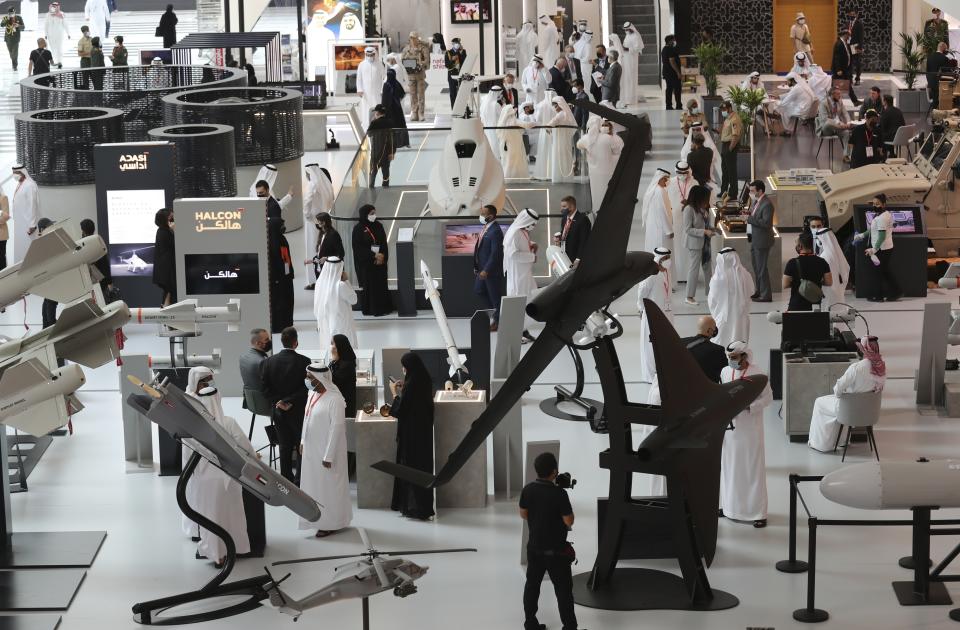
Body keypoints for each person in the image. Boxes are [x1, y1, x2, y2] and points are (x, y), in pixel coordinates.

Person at [183, 367, 253, 565]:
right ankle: (237, 547)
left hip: (205, 478)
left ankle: (217, 554)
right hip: (230, 477)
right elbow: (246, 448)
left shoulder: (193, 426)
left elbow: (189, 453)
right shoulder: (229, 422)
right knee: (233, 513)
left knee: (211, 516)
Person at [519, 451, 578, 630]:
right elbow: (569, 521)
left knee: (532, 586)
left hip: (535, 548)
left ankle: (530, 623)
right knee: (563, 592)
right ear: (554, 471)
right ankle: (569, 627)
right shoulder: (559, 494)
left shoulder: (528, 489)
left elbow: (523, 514)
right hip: (557, 552)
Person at [719, 340, 772, 528]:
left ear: (743, 355)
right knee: (730, 467)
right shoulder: (725, 372)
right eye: (728, 357)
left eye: (733, 357)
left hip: (750, 429)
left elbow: (768, 398)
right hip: (730, 429)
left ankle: (757, 513)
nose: (730, 360)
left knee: (751, 469)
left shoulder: (758, 373)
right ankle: (729, 508)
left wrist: (750, 406)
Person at [300, 363, 351, 537]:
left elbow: (337, 428)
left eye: (310, 378)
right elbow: (306, 418)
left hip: (327, 452)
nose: (307, 380)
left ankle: (330, 522)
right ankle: (315, 519)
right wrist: (302, 441)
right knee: (314, 486)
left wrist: (328, 455)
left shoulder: (335, 399)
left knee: (329, 487)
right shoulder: (311, 393)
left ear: (320, 378)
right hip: (311, 450)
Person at [808, 336, 885, 452]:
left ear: (863, 349)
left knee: (819, 402)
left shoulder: (856, 368)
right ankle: (842, 441)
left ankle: (820, 444)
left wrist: (841, 395)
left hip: (849, 411)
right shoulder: (881, 367)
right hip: (868, 411)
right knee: (844, 402)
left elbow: (838, 389)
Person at [259, 326, 312, 483]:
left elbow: (264, 389)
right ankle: (299, 480)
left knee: (284, 444)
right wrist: (289, 401)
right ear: (296, 343)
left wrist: (279, 402)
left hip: (278, 411)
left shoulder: (267, 363)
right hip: (298, 411)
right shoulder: (304, 361)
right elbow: (306, 388)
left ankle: (285, 479)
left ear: (281, 342)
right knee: (300, 444)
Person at [389, 352, 435, 520]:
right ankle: (422, 506)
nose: (402, 369)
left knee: (409, 470)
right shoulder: (423, 379)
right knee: (422, 470)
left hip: (410, 436)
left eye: (404, 366)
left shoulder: (411, 385)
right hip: (423, 435)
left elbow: (401, 410)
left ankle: (413, 508)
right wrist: (404, 388)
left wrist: (394, 393)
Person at [854, 193, 902, 303]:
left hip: (882, 249)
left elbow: (881, 236)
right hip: (885, 248)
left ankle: (878, 296)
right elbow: (872, 229)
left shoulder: (882, 218)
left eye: (878, 204)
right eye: (874, 203)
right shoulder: (882, 214)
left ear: (884, 204)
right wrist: (862, 235)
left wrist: (874, 249)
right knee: (884, 271)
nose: (875, 205)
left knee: (877, 273)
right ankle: (896, 292)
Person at [503, 208, 539, 342]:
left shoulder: (521, 230)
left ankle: (524, 331)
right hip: (518, 276)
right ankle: (516, 335)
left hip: (524, 274)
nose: (533, 226)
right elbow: (513, 254)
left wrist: (532, 244)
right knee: (519, 304)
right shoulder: (514, 232)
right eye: (533, 223)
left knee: (528, 301)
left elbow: (521, 245)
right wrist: (532, 257)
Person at [637, 248, 672, 383]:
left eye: (669, 258)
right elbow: (642, 293)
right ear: (659, 260)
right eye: (665, 259)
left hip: (666, 313)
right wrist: (641, 309)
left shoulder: (666, 272)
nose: (668, 261)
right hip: (652, 314)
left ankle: (662, 371)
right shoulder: (651, 275)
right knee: (650, 346)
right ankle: (651, 376)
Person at [708, 247, 754, 349]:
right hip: (741, 318)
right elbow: (751, 291)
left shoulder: (718, 278)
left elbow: (712, 301)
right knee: (739, 345)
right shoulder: (746, 274)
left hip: (723, 318)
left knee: (720, 344)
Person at [352, 204, 392, 316]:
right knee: (370, 286)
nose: (374, 215)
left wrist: (382, 257)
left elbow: (384, 243)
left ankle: (384, 308)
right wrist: (373, 256)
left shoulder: (379, 226)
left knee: (381, 285)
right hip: (367, 264)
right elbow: (358, 248)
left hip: (380, 263)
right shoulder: (358, 229)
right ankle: (372, 309)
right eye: (371, 213)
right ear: (365, 215)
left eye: (374, 213)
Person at [576, 116, 622, 212]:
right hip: (609, 171)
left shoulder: (586, 139)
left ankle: (597, 209)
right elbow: (618, 151)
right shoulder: (608, 138)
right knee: (608, 192)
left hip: (594, 173)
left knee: (596, 192)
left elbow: (578, 144)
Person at [313, 256, 357, 351]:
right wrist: (346, 281)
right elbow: (354, 299)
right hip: (341, 324)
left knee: (329, 349)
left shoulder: (319, 283)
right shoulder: (340, 285)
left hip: (325, 323)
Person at [302, 164, 335, 287]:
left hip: (313, 222)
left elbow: (307, 201)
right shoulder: (325, 183)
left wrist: (307, 215)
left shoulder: (312, 184)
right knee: (324, 247)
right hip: (325, 220)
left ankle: (314, 280)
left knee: (313, 248)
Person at [682, 184, 715, 306]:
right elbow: (688, 229)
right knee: (694, 269)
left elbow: (705, 224)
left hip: (705, 243)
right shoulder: (689, 209)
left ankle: (710, 293)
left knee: (707, 268)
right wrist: (705, 232)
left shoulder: (703, 208)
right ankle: (689, 296)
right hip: (694, 244)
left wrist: (713, 229)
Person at [782, 232, 832, 311]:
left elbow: (785, 284)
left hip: (796, 305)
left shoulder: (792, 263)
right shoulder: (822, 261)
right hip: (815, 304)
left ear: (800, 246)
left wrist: (797, 282)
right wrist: (817, 281)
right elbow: (829, 282)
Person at [474, 204, 504, 331]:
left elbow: (496, 253)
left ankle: (498, 321)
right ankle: (496, 315)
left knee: (495, 297)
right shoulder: (486, 228)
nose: (481, 216)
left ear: (491, 216)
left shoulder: (495, 231)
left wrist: (487, 269)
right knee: (479, 290)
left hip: (490, 271)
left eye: (483, 214)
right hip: (481, 269)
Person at [745, 179, 775, 302]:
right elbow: (755, 215)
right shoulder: (757, 202)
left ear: (760, 190)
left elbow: (767, 224)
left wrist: (749, 219)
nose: (750, 193)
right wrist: (748, 215)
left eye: (752, 191)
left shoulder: (767, 204)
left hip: (762, 241)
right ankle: (759, 291)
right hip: (755, 239)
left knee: (762, 269)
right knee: (756, 268)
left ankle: (766, 295)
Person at [267, 217, 295, 332]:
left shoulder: (281, 239)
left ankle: (286, 323)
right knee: (279, 302)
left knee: (287, 300)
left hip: (285, 277)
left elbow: (286, 258)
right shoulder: (271, 242)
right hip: (277, 279)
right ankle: (279, 325)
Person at [812, 226, 849, 310]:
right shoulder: (836, 253)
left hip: (828, 290)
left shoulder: (825, 256)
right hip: (838, 289)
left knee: (829, 311)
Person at [680, 315, 727, 383]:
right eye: (714, 327)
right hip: (708, 390)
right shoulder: (718, 350)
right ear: (710, 330)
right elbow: (725, 371)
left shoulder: (680, 342)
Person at [816, 86, 853, 160]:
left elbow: (845, 113)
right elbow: (825, 119)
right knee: (828, 123)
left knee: (846, 133)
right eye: (838, 94)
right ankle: (843, 127)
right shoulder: (823, 103)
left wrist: (848, 122)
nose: (840, 96)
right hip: (826, 128)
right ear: (832, 95)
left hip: (838, 127)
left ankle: (846, 155)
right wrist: (840, 124)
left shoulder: (839, 101)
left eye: (840, 94)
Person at [642, 168, 673, 254]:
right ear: (659, 178)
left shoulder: (654, 189)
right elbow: (662, 212)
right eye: (665, 179)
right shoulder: (660, 191)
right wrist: (669, 230)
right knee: (662, 253)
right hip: (661, 229)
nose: (667, 181)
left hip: (653, 227)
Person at [546, 97, 576, 182]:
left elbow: (549, 126)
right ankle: (567, 178)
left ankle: (558, 178)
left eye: (555, 106)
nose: (554, 108)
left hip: (559, 140)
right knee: (566, 157)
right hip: (566, 140)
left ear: (560, 105)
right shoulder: (567, 114)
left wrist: (548, 130)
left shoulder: (560, 115)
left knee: (558, 157)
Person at [718, 100, 744, 200]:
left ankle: (733, 194)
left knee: (731, 171)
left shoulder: (734, 119)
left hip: (730, 145)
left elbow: (735, 135)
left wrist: (730, 148)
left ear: (729, 108)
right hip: (725, 145)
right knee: (725, 170)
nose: (723, 111)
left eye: (724, 109)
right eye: (722, 110)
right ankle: (724, 191)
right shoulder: (727, 118)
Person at [401, 32, 428, 122]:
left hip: (420, 75)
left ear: (417, 38)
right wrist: (409, 63)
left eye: (414, 38)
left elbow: (427, 61)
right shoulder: (406, 49)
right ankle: (414, 112)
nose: (412, 39)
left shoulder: (423, 48)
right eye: (411, 38)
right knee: (412, 95)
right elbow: (402, 60)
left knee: (421, 94)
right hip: (411, 75)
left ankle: (421, 113)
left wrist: (420, 63)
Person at [355, 46, 385, 128]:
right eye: (368, 55)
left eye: (371, 55)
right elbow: (359, 78)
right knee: (366, 109)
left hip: (377, 92)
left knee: (377, 107)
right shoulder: (362, 65)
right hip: (366, 93)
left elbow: (384, 78)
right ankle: (366, 125)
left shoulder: (379, 64)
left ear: (374, 54)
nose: (370, 57)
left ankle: (377, 124)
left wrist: (383, 90)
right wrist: (359, 89)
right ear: (365, 54)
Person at [366, 104, 395, 188]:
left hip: (376, 153)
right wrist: (392, 153)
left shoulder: (374, 123)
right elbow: (393, 139)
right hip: (387, 153)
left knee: (373, 172)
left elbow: (369, 134)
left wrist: (373, 121)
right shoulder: (390, 122)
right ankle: (385, 188)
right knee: (386, 173)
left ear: (377, 113)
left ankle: (371, 188)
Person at [497, 104, 530, 179]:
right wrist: (538, 124)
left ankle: (507, 175)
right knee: (516, 160)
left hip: (506, 144)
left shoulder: (502, 123)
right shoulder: (514, 121)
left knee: (508, 159)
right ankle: (517, 176)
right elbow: (527, 125)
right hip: (516, 144)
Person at [35, 218, 58, 328]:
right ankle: (51, 329)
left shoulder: (45, 241)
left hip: (50, 280)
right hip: (50, 281)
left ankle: (47, 328)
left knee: (48, 305)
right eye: (49, 226)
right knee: (50, 306)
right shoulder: (42, 243)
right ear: (43, 229)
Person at [556, 196, 590, 266]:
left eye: (564, 206)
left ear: (572, 206)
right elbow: (564, 233)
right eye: (561, 206)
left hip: (576, 258)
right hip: (564, 255)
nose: (561, 209)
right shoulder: (564, 218)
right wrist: (559, 239)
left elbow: (584, 241)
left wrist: (578, 258)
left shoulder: (583, 220)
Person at [329, 334, 357, 419]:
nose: (331, 347)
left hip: (344, 403)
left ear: (339, 346)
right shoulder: (337, 361)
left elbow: (334, 381)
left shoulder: (347, 365)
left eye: (333, 344)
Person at [152, 207, 176, 306]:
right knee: (169, 290)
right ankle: (166, 311)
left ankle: (166, 310)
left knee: (169, 291)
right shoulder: (164, 232)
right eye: (171, 217)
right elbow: (174, 245)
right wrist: (174, 231)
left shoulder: (163, 231)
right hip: (167, 269)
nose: (173, 219)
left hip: (166, 268)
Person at [381, 68, 410, 149]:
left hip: (389, 110)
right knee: (400, 124)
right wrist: (396, 100)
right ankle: (403, 142)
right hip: (397, 109)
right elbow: (402, 94)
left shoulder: (386, 85)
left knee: (391, 126)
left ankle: (391, 143)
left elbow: (384, 99)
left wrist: (384, 109)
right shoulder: (397, 83)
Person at [830, 30, 860, 106]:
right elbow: (837, 58)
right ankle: (831, 101)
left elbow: (849, 53)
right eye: (848, 35)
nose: (849, 37)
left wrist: (857, 50)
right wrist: (838, 69)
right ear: (845, 35)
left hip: (845, 69)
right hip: (839, 70)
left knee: (848, 85)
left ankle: (855, 101)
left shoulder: (845, 43)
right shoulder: (839, 44)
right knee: (835, 86)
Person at [239, 328, 271, 394]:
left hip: (249, 400)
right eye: (267, 339)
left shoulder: (242, 358)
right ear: (258, 343)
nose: (269, 341)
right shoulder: (262, 362)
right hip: (264, 400)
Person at [619, 21, 643, 106]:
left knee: (631, 78)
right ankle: (626, 98)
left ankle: (631, 99)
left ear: (631, 28)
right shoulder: (627, 35)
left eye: (627, 29)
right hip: (626, 59)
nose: (626, 31)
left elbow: (637, 49)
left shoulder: (636, 36)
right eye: (625, 29)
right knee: (626, 78)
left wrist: (628, 49)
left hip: (632, 59)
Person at [479, 85, 503, 159]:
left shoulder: (484, 104)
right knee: (495, 147)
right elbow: (502, 116)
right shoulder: (496, 105)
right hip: (496, 129)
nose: (501, 95)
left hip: (486, 129)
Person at [926, 41, 950, 110]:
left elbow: (927, 71)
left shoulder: (929, 57)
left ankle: (934, 113)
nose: (946, 51)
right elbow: (947, 73)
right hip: (941, 85)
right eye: (946, 49)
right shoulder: (944, 58)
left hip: (931, 84)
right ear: (943, 48)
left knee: (935, 99)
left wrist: (930, 82)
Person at [444, 37, 467, 107]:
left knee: (461, 93)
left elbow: (465, 62)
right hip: (452, 75)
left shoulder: (462, 51)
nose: (458, 44)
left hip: (461, 75)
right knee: (453, 93)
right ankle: (454, 109)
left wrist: (462, 52)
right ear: (453, 44)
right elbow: (447, 65)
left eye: (459, 43)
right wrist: (453, 60)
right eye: (457, 43)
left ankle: (461, 108)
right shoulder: (448, 52)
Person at [44, 3, 68, 69]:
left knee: (59, 48)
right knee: (53, 49)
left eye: (56, 6)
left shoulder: (61, 14)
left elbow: (65, 24)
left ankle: (59, 61)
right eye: (53, 6)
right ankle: (54, 61)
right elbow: (46, 25)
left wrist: (68, 33)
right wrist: (45, 34)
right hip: (50, 35)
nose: (55, 7)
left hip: (59, 34)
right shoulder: (48, 15)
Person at [574, 29, 594, 95]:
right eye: (591, 36)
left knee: (584, 80)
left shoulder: (578, 43)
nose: (591, 38)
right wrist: (583, 61)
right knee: (587, 81)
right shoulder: (588, 45)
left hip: (581, 65)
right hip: (586, 66)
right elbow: (588, 57)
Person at [847, 8, 864, 85]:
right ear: (849, 15)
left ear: (856, 15)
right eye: (851, 14)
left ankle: (857, 79)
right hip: (848, 45)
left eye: (854, 14)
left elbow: (861, 37)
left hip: (855, 46)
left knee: (857, 63)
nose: (852, 16)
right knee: (849, 62)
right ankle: (850, 78)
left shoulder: (859, 23)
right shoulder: (847, 23)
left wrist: (860, 48)